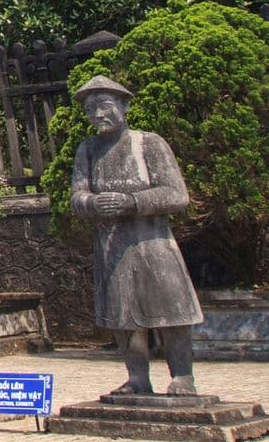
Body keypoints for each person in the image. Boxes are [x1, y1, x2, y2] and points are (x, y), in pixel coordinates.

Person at [69, 74, 204, 396]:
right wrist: (92, 203)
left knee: (172, 310)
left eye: (103, 106)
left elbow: (176, 194)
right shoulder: (87, 150)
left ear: (124, 105)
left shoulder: (149, 143)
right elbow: (76, 196)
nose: (97, 115)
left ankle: (183, 376)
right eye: (90, 110)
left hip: (153, 242)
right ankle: (137, 377)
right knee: (123, 316)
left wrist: (133, 202)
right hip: (113, 246)